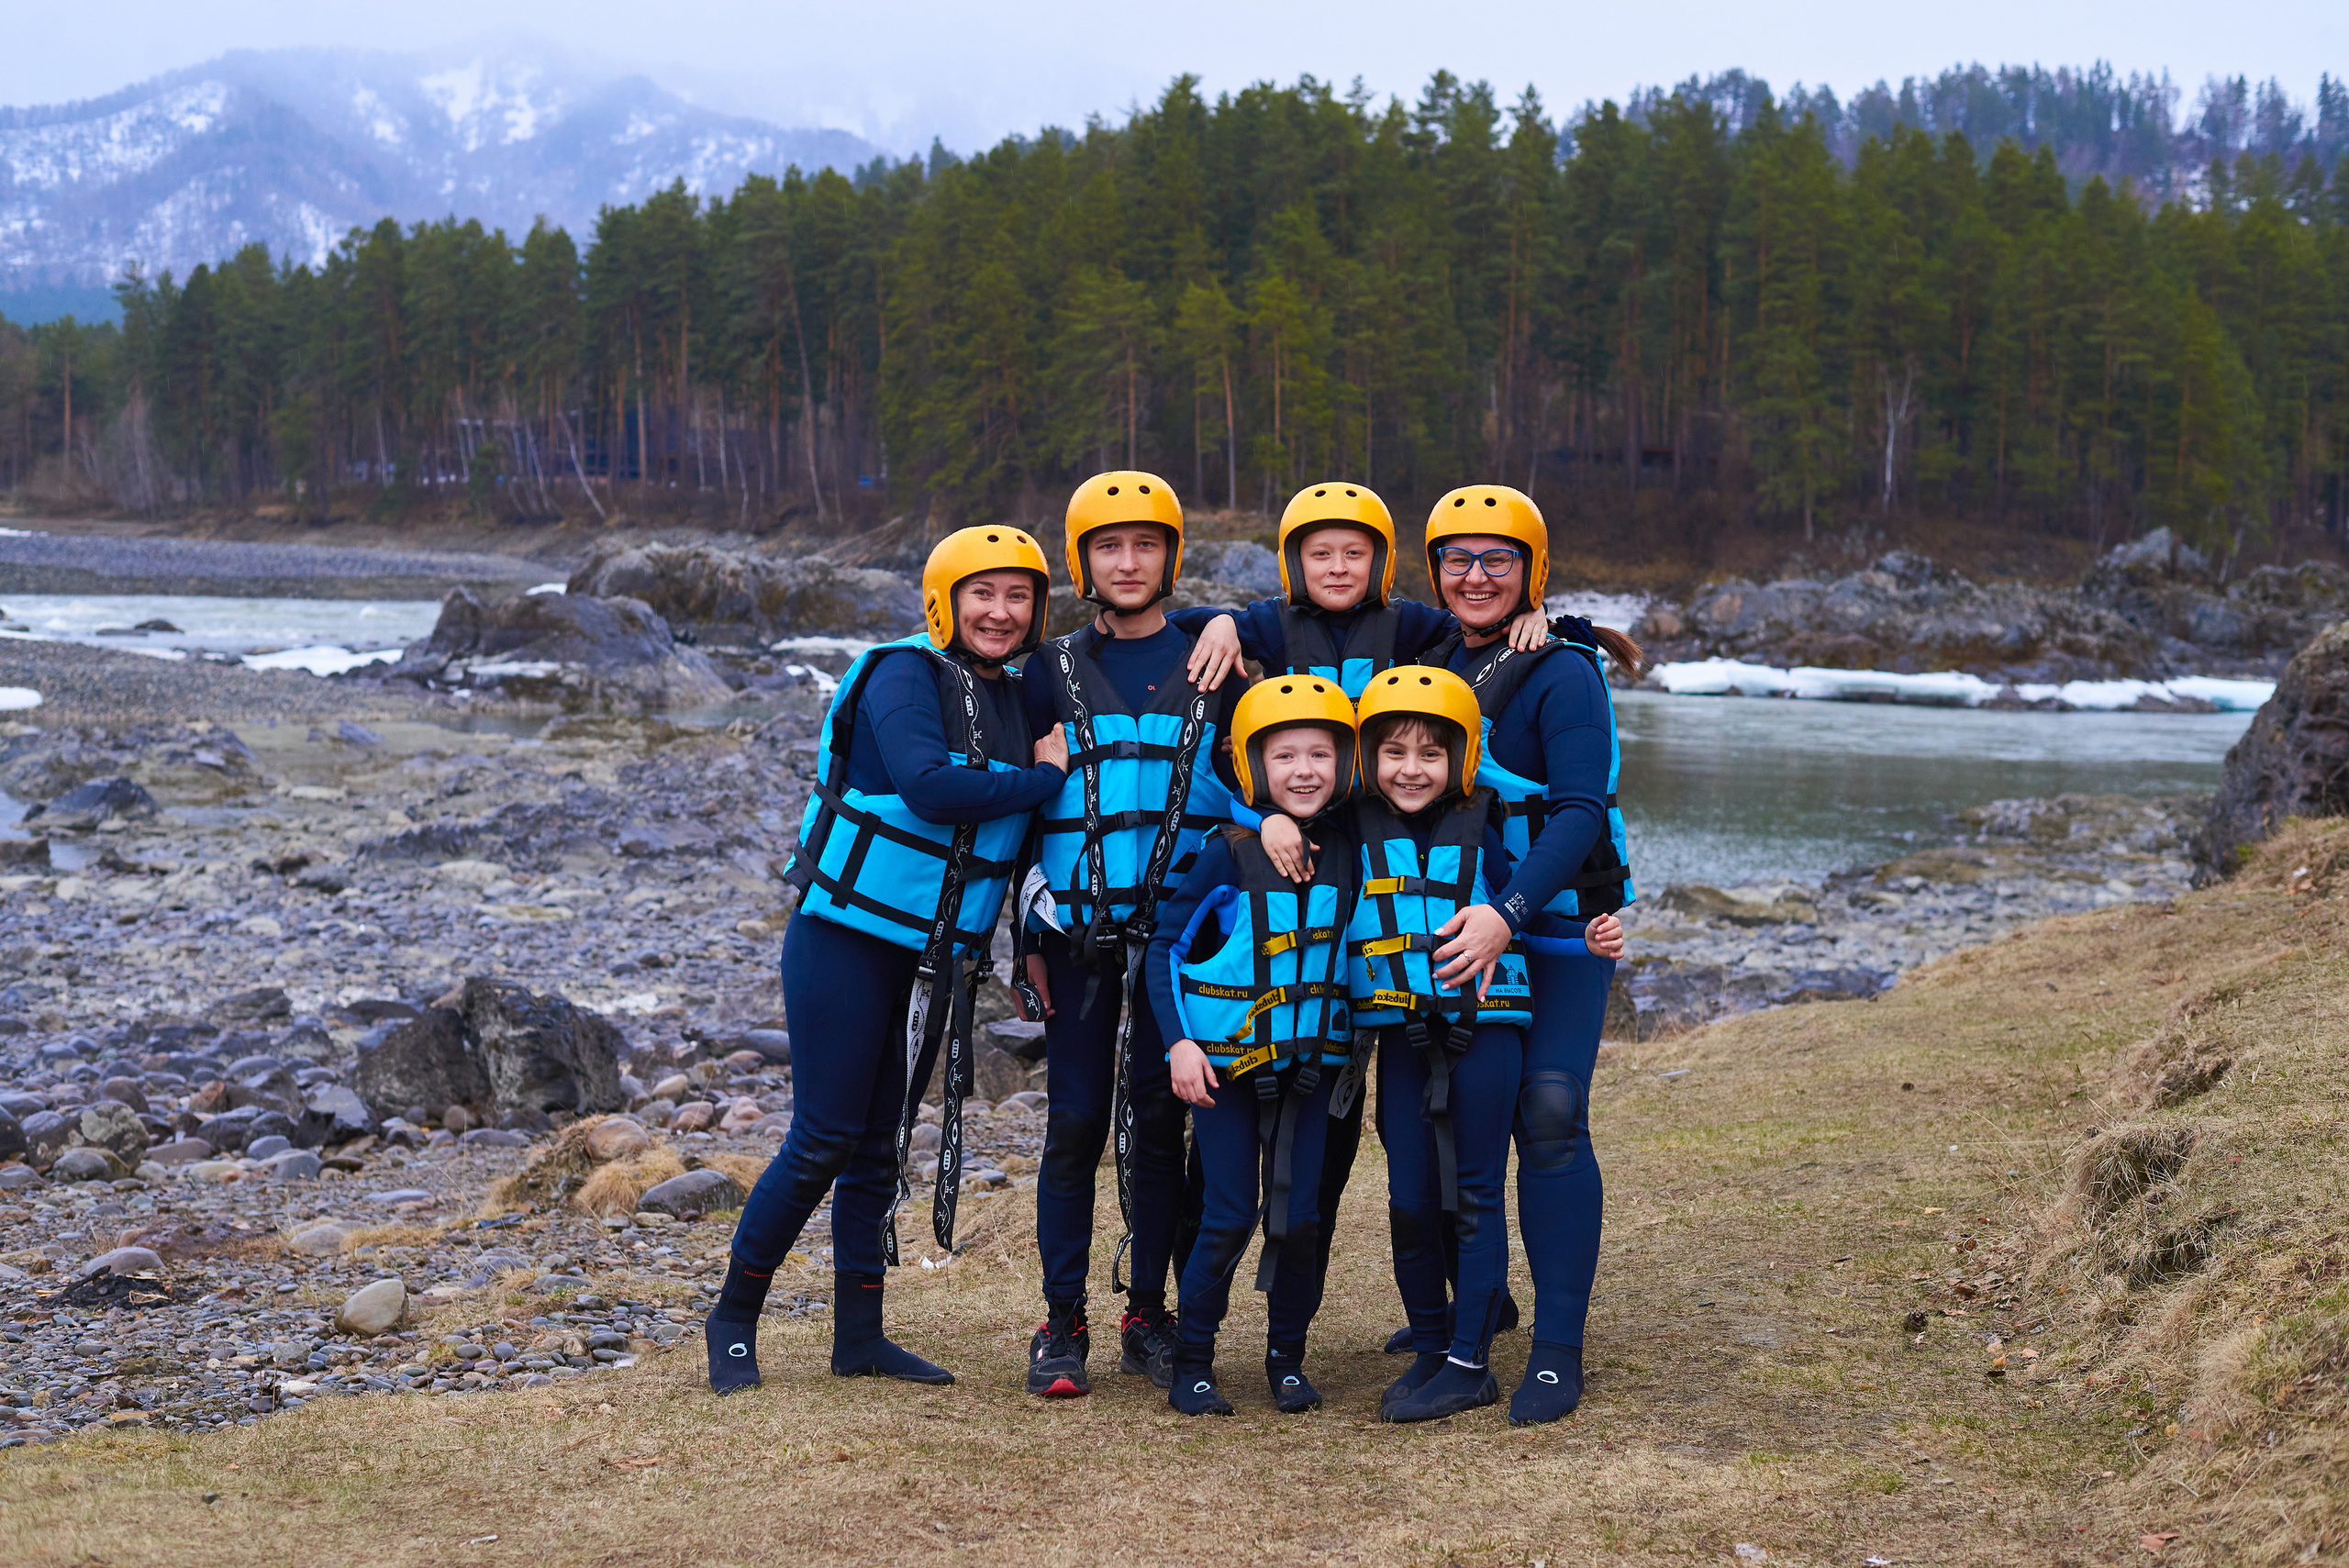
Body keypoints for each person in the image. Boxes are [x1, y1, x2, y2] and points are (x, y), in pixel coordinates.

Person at [1165, 481, 1546, 1350]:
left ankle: (1461, 1307)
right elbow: (1188, 631)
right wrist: (1220, 619)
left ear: (1381, 562)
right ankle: (1191, 1322)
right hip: (1301, 849)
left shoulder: (1411, 627)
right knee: (1385, 1138)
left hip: (1375, 846)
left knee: (1430, 1151)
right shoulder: (1265, 625)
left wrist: (1544, 617)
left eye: (1355, 552)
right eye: (1319, 552)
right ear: (1294, 562)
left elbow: (1480, 618)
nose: (1338, 567)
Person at [705, 526, 1068, 1396]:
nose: (1000, 611)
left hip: (926, 953)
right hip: (844, 938)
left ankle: (859, 1337)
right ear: (945, 598)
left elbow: (1011, 848)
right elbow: (929, 786)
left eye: (1018, 596)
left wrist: (1026, 950)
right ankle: (732, 1318)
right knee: (825, 1134)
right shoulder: (902, 674)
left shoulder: (1014, 696)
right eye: (982, 593)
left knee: (878, 1145)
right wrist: (1049, 775)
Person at [1019, 471, 1244, 1399]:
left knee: (1162, 1121)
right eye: (1108, 545)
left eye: (1144, 543)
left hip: (1179, 936)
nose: (1126, 559)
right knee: (1074, 1121)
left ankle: (1147, 1310)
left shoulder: (1218, 661)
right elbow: (1014, 816)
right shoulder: (1047, 668)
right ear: (1082, 561)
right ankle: (1062, 1317)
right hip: (1073, 929)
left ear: (1169, 556)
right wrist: (1021, 932)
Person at [1420, 484, 1642, 1425]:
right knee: (1449, 1124)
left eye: (1497, 560)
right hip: (1456, 930)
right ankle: (1480, 1305)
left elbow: (1581, 807)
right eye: (1459, 560)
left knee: (1548, 1115)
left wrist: (1508, 913)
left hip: (1548, 928)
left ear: (1531, 572)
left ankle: (1556, 1347)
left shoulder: (1563, 672)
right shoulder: (1424, 655)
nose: (1476, 576)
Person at [1149, 676, 1359, 1416]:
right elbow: (1163, 948)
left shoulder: (1359, 847)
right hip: (1228, 1071)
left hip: (1316, 1069)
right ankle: (1194, 1361)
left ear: (1344, 761)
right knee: (1230, 1211)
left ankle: (1287, 1360)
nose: (1303, 770)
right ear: (1254, 768)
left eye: (1320, 754)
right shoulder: (1228, 854)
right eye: (1284, 756)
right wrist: (1178, 1044)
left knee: (1300, 1218)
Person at [1339, 666, 1543, 1422]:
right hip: (1401, 1033)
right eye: (1394, 751)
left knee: (1475, 1192)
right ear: (1369, 756)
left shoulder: (1487, 830)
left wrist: (1593, 930)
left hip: (1483, 1032)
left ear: (1461, 759)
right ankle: (1431, 1345)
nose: (1411, 768)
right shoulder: (1353, 826)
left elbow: (1544, 907)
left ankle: (1470, 1365)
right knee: (1409, 1199)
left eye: (1432, 752)